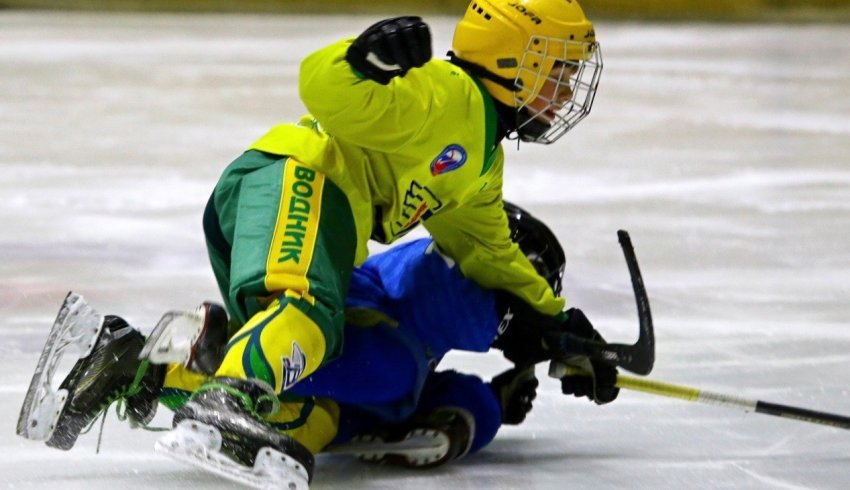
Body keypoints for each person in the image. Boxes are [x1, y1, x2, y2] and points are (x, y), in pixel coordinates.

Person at [19, 202, 619, 486]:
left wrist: (493, 398)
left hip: (358, 369)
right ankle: (163, 369)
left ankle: (194, 380)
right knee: (390, 376)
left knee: (357, 409)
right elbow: (450, 301)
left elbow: (451, 341)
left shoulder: (434, 314)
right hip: (346, 331)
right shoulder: (439, 283)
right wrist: (535, 333)